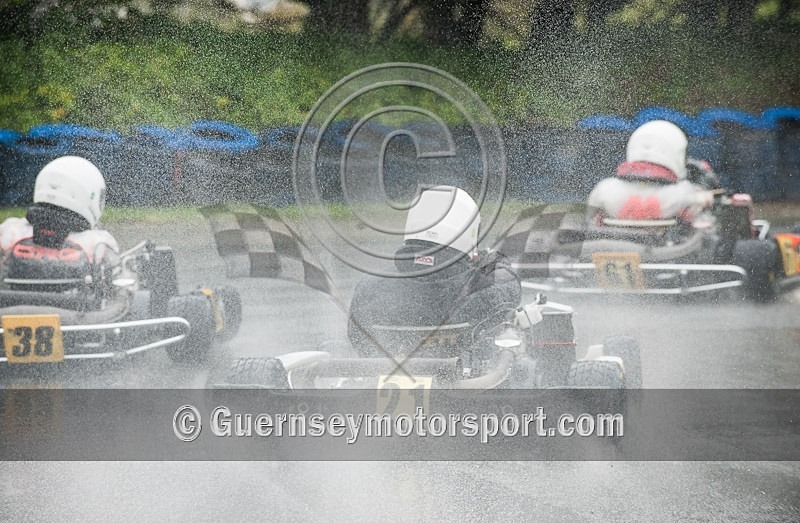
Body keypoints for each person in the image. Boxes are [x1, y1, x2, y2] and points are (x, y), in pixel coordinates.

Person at [347, 186, 521, 357]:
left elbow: (359, 342)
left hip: (384, 376)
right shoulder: (483, 284)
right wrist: (486, 259)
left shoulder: (372, 285)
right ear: (468, 231)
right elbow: (507, 293)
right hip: (463, 376)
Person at [0, 156, 119, 288]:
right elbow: (119, 283)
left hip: (12, 302)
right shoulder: (96, 242)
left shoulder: (11, 231)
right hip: (75, 305)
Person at [586, 120, 714, 226]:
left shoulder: (605, 188)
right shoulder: (684, 193)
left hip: (611, 251)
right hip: (667, 253)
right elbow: (704, 228)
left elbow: (591, 223)